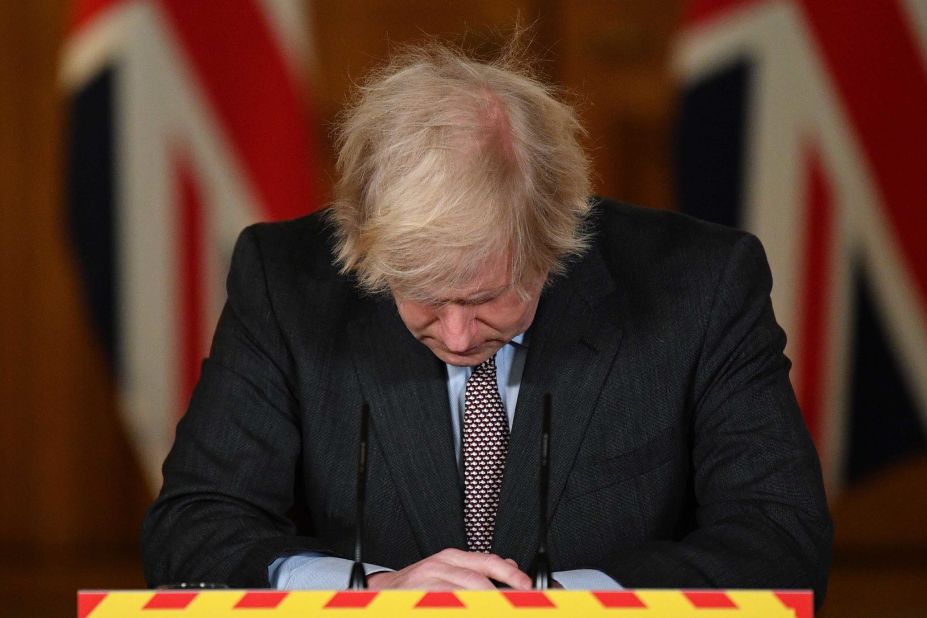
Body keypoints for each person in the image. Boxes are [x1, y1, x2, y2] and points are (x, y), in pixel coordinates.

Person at [142, 40, 832, 601]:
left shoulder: (701, 286)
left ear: (556, 236)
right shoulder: (284, 282)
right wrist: (373, 592)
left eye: (483, 298)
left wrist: (565, 602)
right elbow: (193, 528)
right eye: (419, 296)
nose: (455, 336)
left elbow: (779, 538)